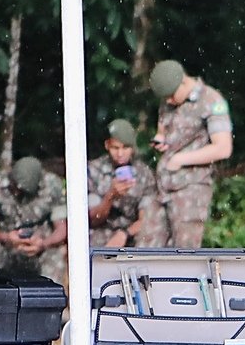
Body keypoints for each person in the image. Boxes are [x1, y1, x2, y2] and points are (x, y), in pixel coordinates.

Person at [136, 59, 232, 248]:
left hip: (190, 189)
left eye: (171, 96)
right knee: (146, 247)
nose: (169, 101)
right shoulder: (168, 100)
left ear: (183, 82)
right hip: (162, 186)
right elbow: (164, 129)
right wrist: (161, 140)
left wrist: (181, 159)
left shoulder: (211, 100)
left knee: (184, 252)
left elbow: (223, 148)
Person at [0, 155, 68, 281]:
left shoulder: (52, 185)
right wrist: (7, 238)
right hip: (7, 247)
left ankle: (50, 298)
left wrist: (43, 244)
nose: (18, 193)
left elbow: (62, 229)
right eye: (16, 188)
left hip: (40, 248)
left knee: (56, 257)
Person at [86, 119, 156, 248]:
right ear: (107, 145)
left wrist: (124, 234)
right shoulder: (93, 170)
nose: (120, 154)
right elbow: (91, 220)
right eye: (115, 148)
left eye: (126, 148)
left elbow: (146, 218)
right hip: (101, 231)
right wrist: (110, 196)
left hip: (131, 233)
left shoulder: (143, 173)